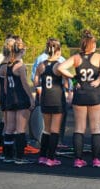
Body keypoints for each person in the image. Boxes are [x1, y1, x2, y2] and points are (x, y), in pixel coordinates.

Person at [57, 30, 100, 168]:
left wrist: (74, 78)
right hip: (95, 94)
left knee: (79, 128)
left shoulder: (76, 57)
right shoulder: (97, 57)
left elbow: (60, 67)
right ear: (92, 45)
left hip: (81, 94)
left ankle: (78, 160)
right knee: (95, 128)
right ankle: (96, 160)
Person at [34, 38, 66, 166]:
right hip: (57, 99)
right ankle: (51, 158)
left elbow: (36, 81)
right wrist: (73, 84)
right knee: (55, 130)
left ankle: (42, 156)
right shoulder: (59, 65)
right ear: (58, 50)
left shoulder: (41, 65)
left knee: (46, 129)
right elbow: (67, 79)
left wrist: (40, 88)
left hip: (45, 99)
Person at [3, 36, 35, 164]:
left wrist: (8, 97)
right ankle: (20, 157)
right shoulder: (20, 66)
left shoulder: (8, 65)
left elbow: (5, 86)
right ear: (22, 51)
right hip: (21, 99)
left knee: (9, 128)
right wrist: (31, 99)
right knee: (21, 129)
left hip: (10, 99)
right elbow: (25, 85)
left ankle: (8, 155)